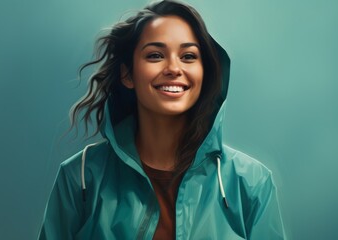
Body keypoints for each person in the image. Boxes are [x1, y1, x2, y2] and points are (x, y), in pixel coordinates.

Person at [38, 0, 286, 239]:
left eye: (188, 56)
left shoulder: (251, 183)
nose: (173, 68)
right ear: (128, 74)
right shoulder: (80, 178)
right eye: (155, 55)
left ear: (205, 72)